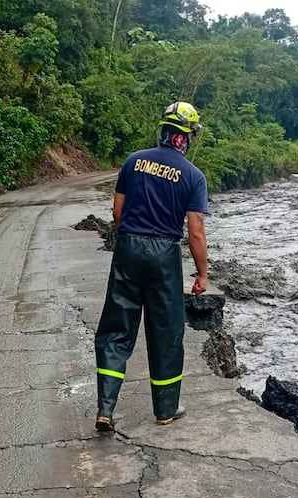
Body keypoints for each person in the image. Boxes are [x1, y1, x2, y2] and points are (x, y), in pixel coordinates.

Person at [94, 101, 208, 432]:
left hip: (129, 249)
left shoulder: (133, 161)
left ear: (164, 130)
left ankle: (105, 408)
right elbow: (196, 232)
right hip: (164, 256)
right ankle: (165, 410)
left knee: (116, 328)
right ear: (187, 136)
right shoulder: (193, 176)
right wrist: (202, 274)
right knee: (166, 331)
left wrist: (131, 243)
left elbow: (117, 212)